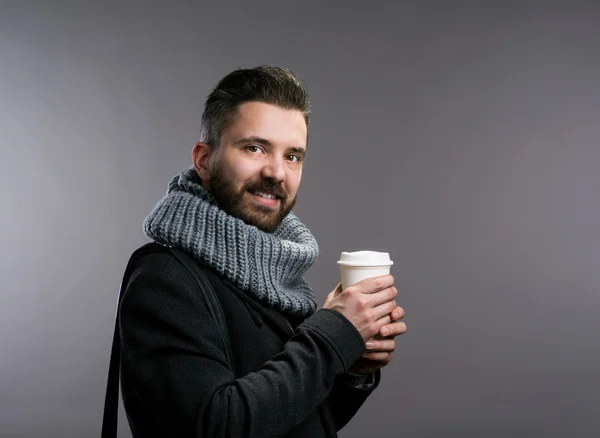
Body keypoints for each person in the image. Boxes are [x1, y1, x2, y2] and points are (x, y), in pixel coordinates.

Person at [118, 65, 407, 437]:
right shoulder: (164, 278)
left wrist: (350, 365)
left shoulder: (273, 275)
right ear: (204, 159)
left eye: (293, 156)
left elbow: (297, 422)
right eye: (255, 148)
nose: (277, 172)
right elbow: (218, 426)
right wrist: (333, 333)